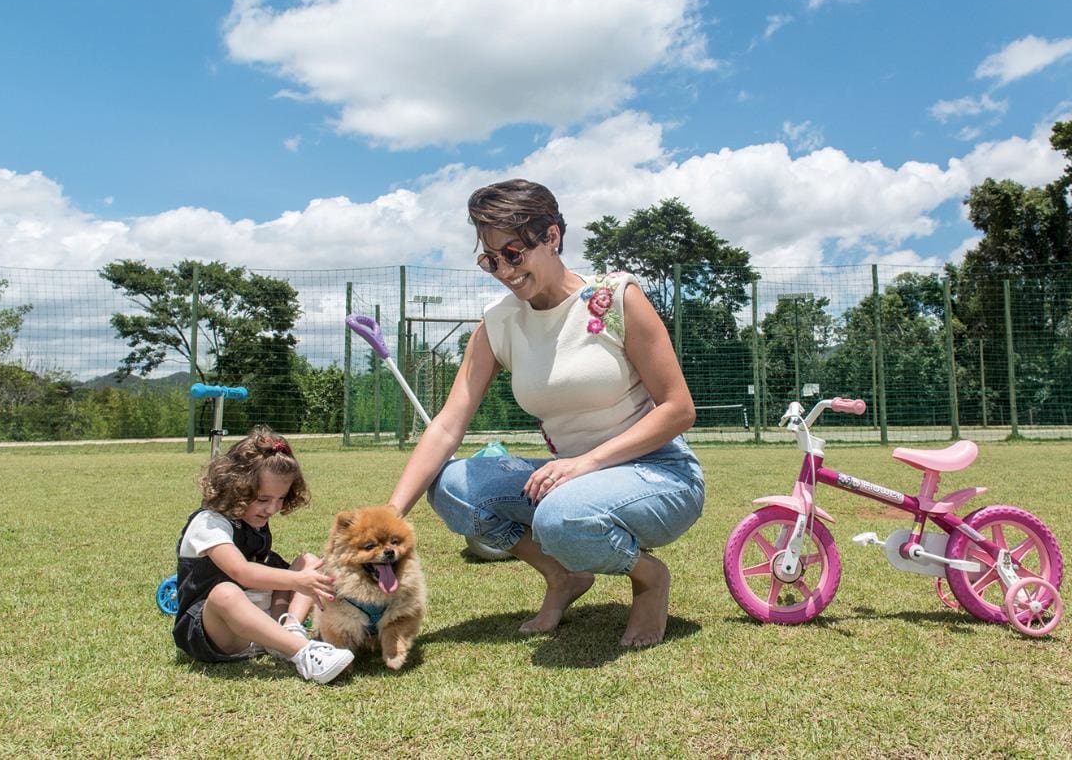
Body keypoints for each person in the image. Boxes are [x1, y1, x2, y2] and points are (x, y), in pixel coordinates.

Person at [389, 179, 703, 648]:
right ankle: (563, 577)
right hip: (573, 479)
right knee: (452, 485)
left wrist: (585, 464)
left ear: (552, 237)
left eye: (513, 253)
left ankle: (649, 578)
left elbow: (679, 410)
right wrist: (387, 518)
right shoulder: (499, 322)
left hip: (659, 473)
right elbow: (449, 424)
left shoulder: (615, 298)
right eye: (489, 259)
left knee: (560, 516)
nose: (503, 271)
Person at [173, 426, 355, 683]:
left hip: (258, 620)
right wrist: (298, 581)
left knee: (309, 561)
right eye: (263, 499)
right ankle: (302, 652)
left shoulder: (253, 520)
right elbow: (242, 573)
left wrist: (305, 575)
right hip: (218, 633)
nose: (272, 508)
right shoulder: (209, 524)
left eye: (280, 498)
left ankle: (286, 628)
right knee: (225, 593)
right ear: (236, 487)